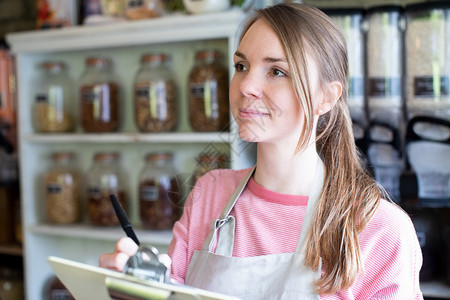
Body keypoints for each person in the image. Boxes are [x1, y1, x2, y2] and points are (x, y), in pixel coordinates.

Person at [99, 3, 423, 299]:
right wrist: (136, 289)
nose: (245, 86)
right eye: (241, 66)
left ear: (326, 97)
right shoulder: (211, 193)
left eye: (276, 71)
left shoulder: (378, 228)